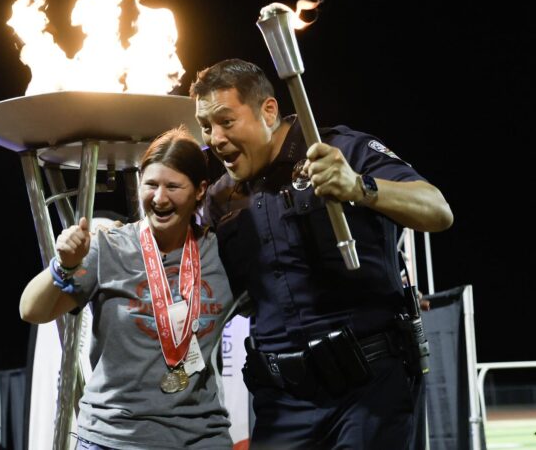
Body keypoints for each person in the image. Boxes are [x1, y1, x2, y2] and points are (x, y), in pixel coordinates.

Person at [191, 59, 453, 449]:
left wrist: (358, 187)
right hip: (281, 401)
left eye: (226, 121)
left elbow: (438, 210)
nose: (215, 138)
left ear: (268, 110)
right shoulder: (219, 199)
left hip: (369, 391)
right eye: (207, 126)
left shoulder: (340, 151)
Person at [20, 126, 235, 450]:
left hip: (201, 439)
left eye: (173, 186)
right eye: (150, 184)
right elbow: (31, 310)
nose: (159, 198)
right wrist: (63, 264)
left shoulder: (222, 253)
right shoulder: (109, 247)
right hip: (113, 439)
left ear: (200, 190)